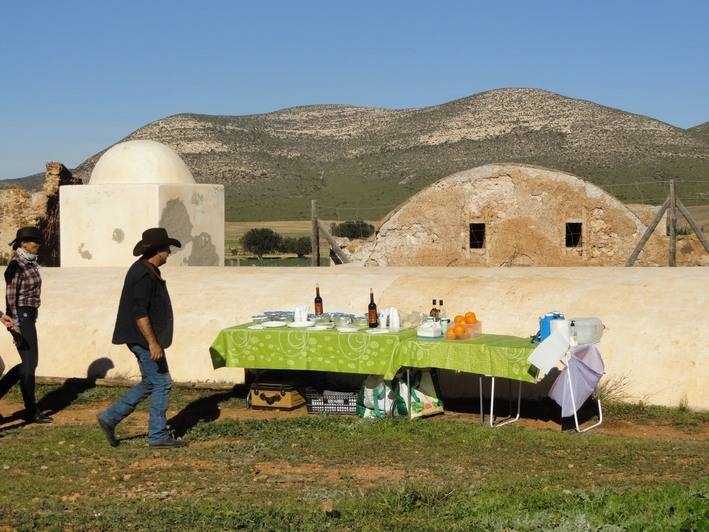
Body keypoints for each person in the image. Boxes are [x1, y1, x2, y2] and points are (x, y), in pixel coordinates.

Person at [97, 227, 187, 448]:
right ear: (158, 251)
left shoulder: (146, 270)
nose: (169, 252)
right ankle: (157, 435)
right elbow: (139, 312)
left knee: (150, 382)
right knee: (162, 383)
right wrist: (153, 343)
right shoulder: (143, 275)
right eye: (167, 248)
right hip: (143, 339)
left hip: (142, 338)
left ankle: (110, 417)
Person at [0, 226, 52, 424]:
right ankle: (31, 410)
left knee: (29, 363)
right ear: (22, 244)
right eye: (33, 241)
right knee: (29, 364)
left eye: (38, 241)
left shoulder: (29, 263)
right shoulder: (16, 265)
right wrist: (15, 325)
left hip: (29, 314)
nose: (37, 245)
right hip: (21, 314)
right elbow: (10, 297)